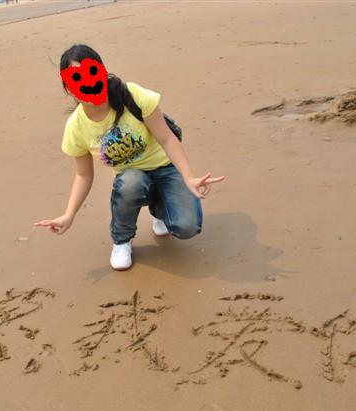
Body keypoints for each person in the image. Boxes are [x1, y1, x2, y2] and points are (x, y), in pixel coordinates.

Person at [35, 44, 225, 270]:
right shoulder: (76, 127)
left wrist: (188, 177)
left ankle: (159, 210)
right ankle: (122, 240)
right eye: (76, 77)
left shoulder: (132, 96)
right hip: (132, 179)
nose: (86, 80)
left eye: (91, 71)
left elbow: (166, 138)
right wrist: (69, 214)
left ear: (102, 72)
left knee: (187, 227)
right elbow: (83, 175)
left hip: (165, 168)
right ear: (68, 87)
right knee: (131, 181)